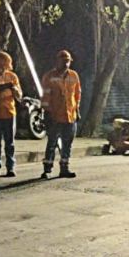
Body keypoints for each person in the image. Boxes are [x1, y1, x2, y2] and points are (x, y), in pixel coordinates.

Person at [41, 49, 81, 179]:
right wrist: (47, 113)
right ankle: (47, 169)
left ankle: (64, 168)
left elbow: (77, 95)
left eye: (67, 61)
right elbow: (46, 96)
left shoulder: (74, 75)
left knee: (67, 144)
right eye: (63, 61)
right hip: (55, 115)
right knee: (52, 143)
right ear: (57, 61)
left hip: (70, 116)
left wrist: (77, 111)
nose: (65, 63)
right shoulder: (49, 76)